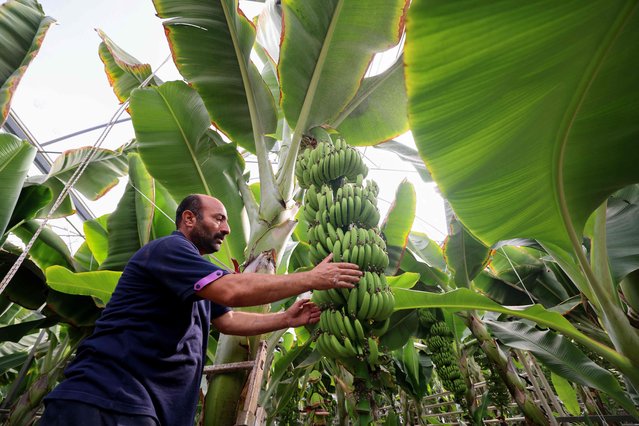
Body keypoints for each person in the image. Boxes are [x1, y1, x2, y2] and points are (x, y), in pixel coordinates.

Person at [40, 194, 362, 426]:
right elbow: (231, 290)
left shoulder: (196, 272)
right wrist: (310, 278)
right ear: (189, 219)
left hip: (138, 406)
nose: (226, 229)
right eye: (219, 218)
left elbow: (227, 319)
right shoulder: (171, 249)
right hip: (108, 398)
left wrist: (285, 318)